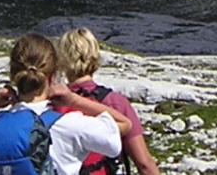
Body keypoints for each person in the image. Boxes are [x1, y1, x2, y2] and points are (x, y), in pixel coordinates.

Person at [0, 32, 130, 175]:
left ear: (13, 76)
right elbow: (124, 124)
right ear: (53, 76)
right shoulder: (69, 125)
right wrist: (74, 99)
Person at [58, 28, 160, 175]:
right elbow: (144, 164)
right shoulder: (115, 102)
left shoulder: (52, 103)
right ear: (95, 57)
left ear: (62, 60)